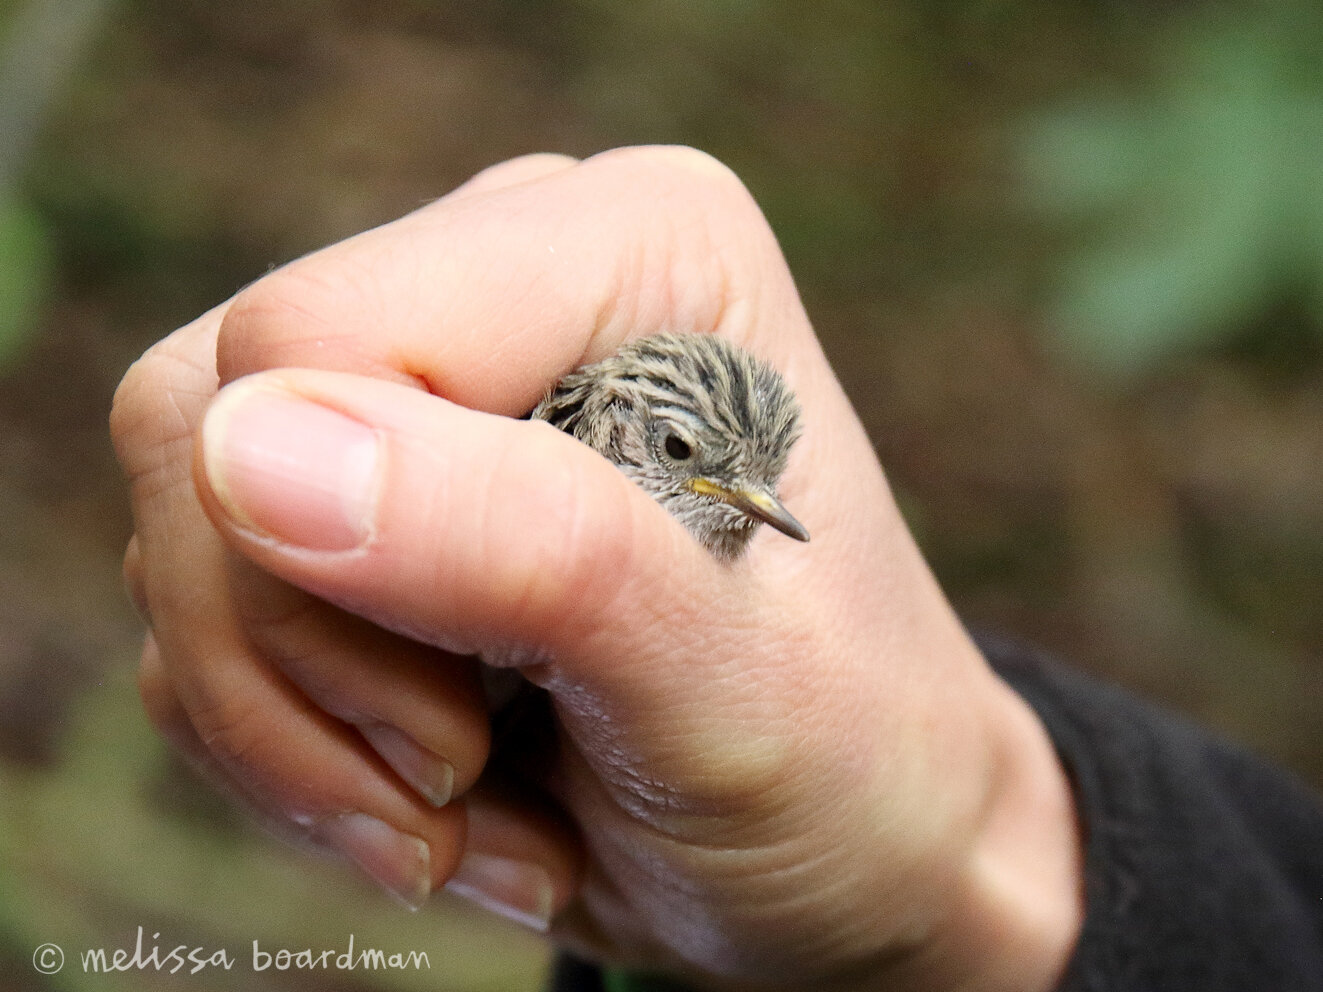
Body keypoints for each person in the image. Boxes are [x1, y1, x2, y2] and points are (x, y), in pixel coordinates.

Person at [110, 146, 1323, 991]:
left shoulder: (705, 576)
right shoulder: (529, 450)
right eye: (687, 456)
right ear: (622, 427)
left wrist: (958, 857)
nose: (742, 503)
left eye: (752, 475)